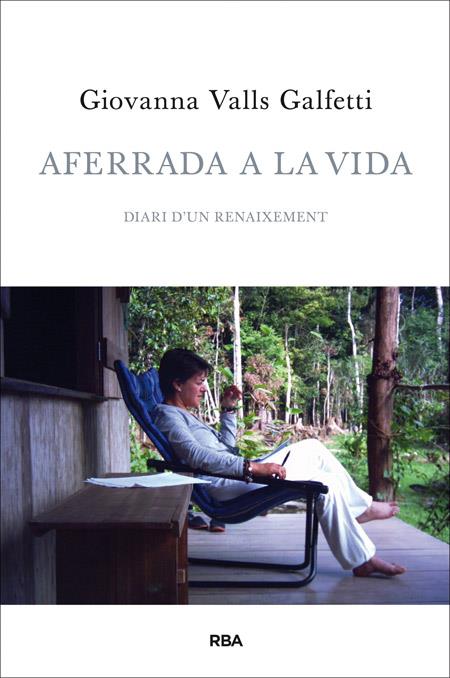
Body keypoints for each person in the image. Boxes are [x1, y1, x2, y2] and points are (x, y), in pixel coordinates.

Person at [153, 348, 407, 577]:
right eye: (199, 382)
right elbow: (195, 455)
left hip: (233, 477)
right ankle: (362, 510)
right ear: (177, 384)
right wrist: (252, 467)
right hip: (225, 485)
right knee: (314, 450)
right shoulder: (168, 416)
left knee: (324, 479)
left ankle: (363, 559)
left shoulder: (183, 414)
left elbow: (225, 449)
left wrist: (228, 410)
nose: (204, 389)